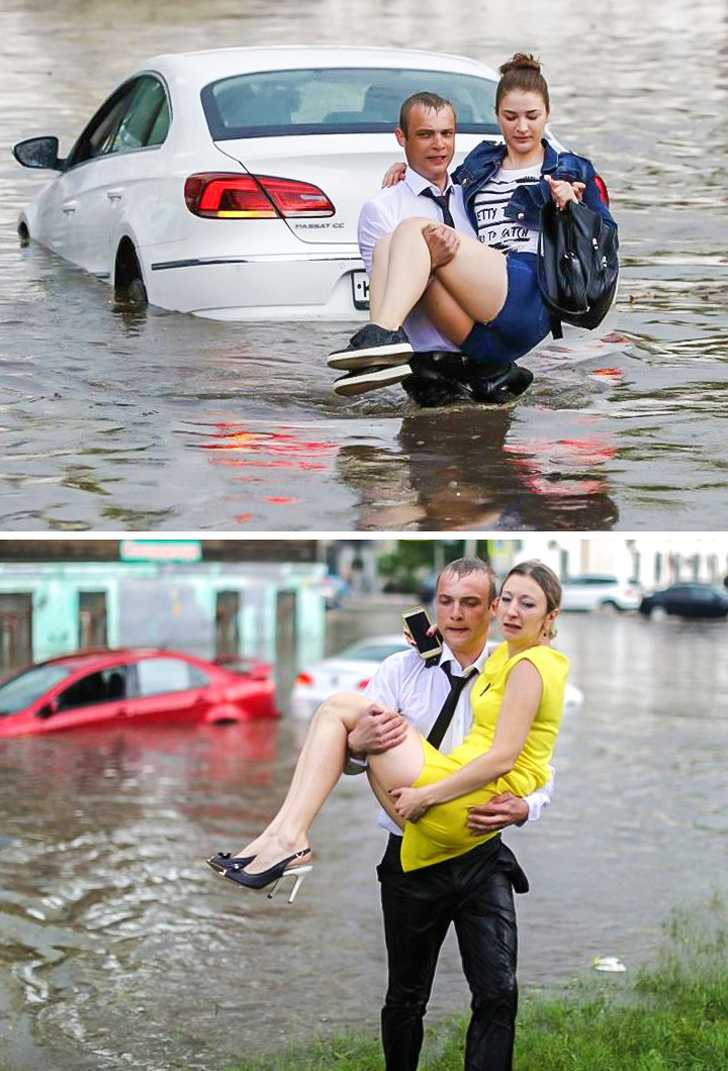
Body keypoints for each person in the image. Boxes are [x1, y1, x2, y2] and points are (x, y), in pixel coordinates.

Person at [208, 558, 568, 1071]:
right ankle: (281, 840)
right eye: (446, 601)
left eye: (472, 603)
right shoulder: (400, 669)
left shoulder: (509, 666)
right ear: (433, 605)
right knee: (405, 997)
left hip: (478, 856)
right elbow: (354, 761)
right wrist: (359, 743)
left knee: (498, 992)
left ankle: (286, 842)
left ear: (492, 609)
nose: (456, 614)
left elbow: (537, 759)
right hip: (408, 853)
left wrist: (526, 806)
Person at [329, 53, 617, 399]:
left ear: (548, 116)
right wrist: (409, 166)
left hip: (529, 291)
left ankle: (382, 332)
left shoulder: (569, 169)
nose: (521, 127)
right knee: (388, 244)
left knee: (415, 229)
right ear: (496, 117)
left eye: (532, 116)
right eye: (510, 117)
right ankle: (379, 357)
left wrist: (572, 205)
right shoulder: (481, 166)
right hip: (483, 317)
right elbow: (439, 173)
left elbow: (606, 239)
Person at [330, 92, 529, 406]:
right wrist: (427, 263)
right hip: (430, 370)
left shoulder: (473, 196)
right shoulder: (382, 208)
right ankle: (375, 353)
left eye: (446, 134)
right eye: (425, 135)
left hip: (487, 360)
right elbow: (387, 299)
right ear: (402, 137)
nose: (439, 144)